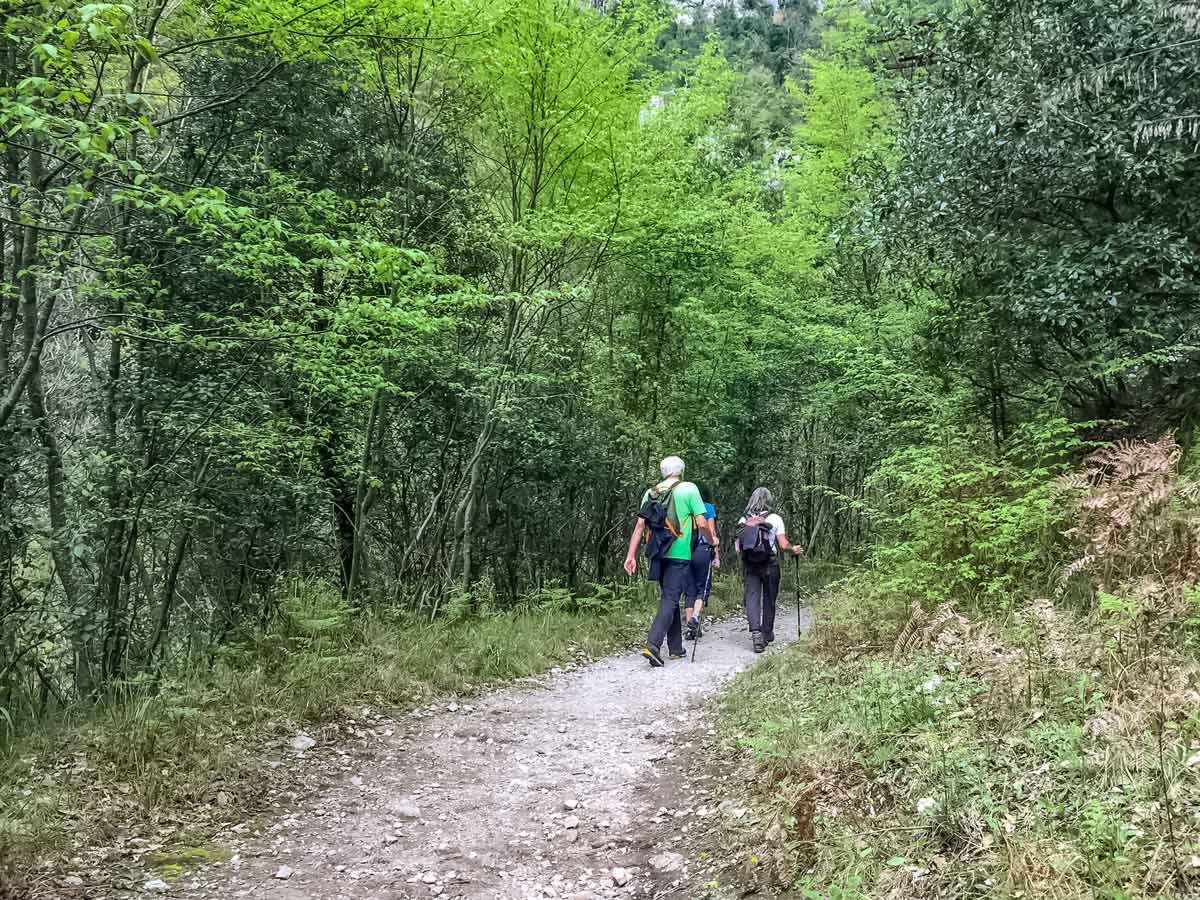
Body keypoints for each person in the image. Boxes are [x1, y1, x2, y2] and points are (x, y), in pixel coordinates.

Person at [623, 456, 718, 667]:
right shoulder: (689, 488)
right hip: (679, 553)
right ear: (681, 471)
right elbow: (702, 522)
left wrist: (630, 556)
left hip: (658, 552)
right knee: (670, 598)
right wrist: (712, 541)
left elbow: (640, 526)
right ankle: (653, 644)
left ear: (663, 471)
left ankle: (676, 648)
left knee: (670, 596)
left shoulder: (651, 492)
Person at [735, 487, 802, 653]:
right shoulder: (775, 518)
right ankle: (766, 633)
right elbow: (783, 544)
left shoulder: (744, 520)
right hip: (770, 563)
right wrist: (794, 549)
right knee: (769, 598)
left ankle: (755, 633)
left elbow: (738, 548)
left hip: (750, 564)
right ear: (769, 500)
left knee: (752, 598)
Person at [685, 497, 719, 641]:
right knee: (702, 588)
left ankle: (689, 629)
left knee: (689, 590)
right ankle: (695, 617)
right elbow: (711, 531)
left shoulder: (686, 507)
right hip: (702, 550)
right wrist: (716, 555)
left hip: (685, 551)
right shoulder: (707, 508)